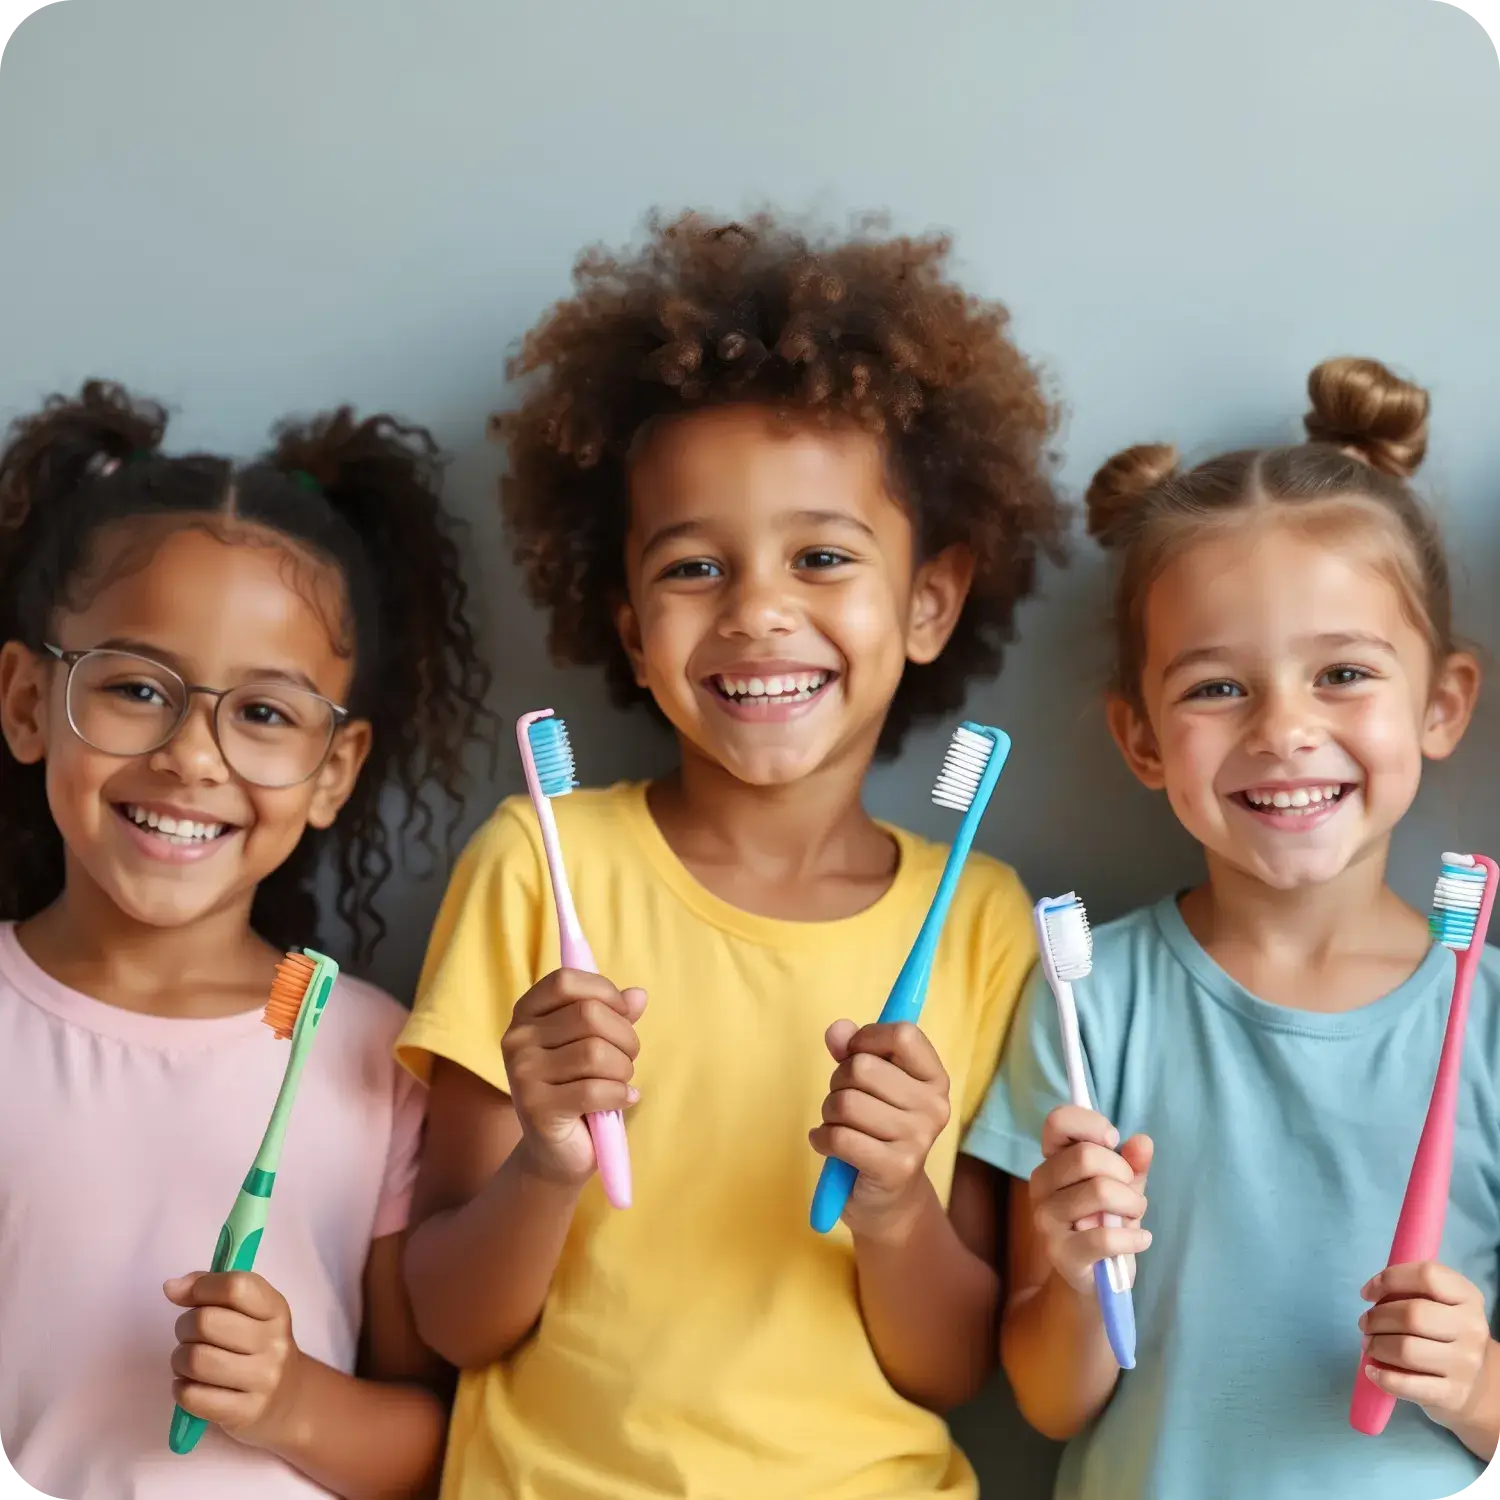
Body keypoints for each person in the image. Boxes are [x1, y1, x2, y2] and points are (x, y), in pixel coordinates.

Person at [397, 211, 1067, 1499]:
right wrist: (546, 1161)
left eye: (823, 557)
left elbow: (949, 1368)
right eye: (695, 566)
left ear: (928, 601)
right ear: (630, 626)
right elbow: (449, 1321)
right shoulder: (540, 863)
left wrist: (891, 1206)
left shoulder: (979, 919)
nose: (759, 610)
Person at [965, 357, 1499, 1498]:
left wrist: (1477, 1385)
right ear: (1143, 738)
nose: (1285, 732)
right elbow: (1054, 1401)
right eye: (1217, 688)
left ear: (1443, 703)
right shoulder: (1086, 1002)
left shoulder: (1492, 1022)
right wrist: (1068, 1277)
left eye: (1344, 673)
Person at [0, 380, 490, 1498]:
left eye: (264, 713)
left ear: (335, 771)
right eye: (136, 688)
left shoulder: (380, 1058)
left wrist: (290, 1404)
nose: (194, 757)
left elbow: (430, 1451)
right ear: (29, 703)